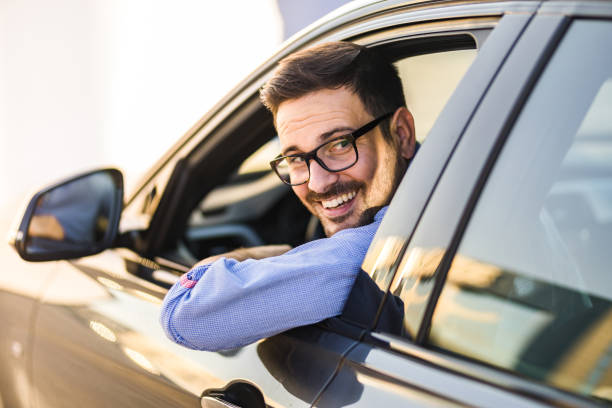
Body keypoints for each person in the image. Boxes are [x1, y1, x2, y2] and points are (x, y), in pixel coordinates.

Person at [160, 41, 416, 351]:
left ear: (401, 133)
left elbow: (183, 314)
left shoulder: (368, 253)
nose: (318, 183)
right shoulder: (465, 186)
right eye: (296, 158)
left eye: (340, 144)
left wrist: (254, 256)